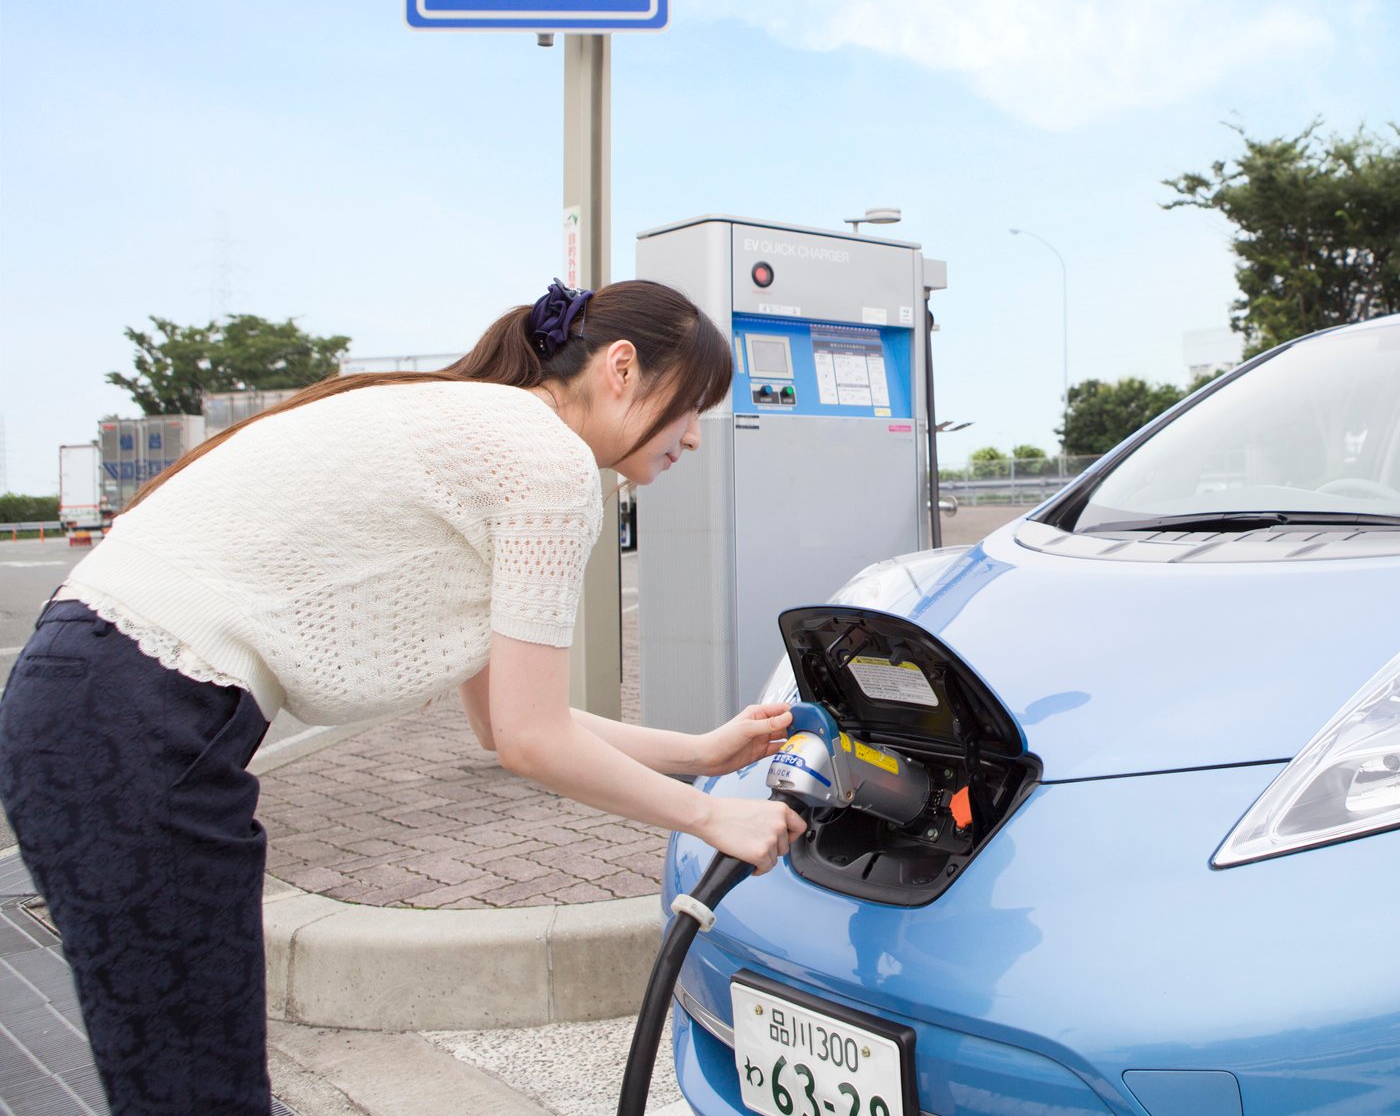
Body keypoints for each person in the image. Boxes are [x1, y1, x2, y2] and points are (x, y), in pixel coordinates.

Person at [0, 278, 807, 1115]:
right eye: (694, 405)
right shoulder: (548, 461)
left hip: (87, 695)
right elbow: (532, 743)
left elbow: (508, 725)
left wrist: (705, 754)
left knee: (181, 1077)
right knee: (198, 1093)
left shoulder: (476, 427)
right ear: (622, 366)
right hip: (138, 719)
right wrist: (717, 816)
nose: (695, 438)